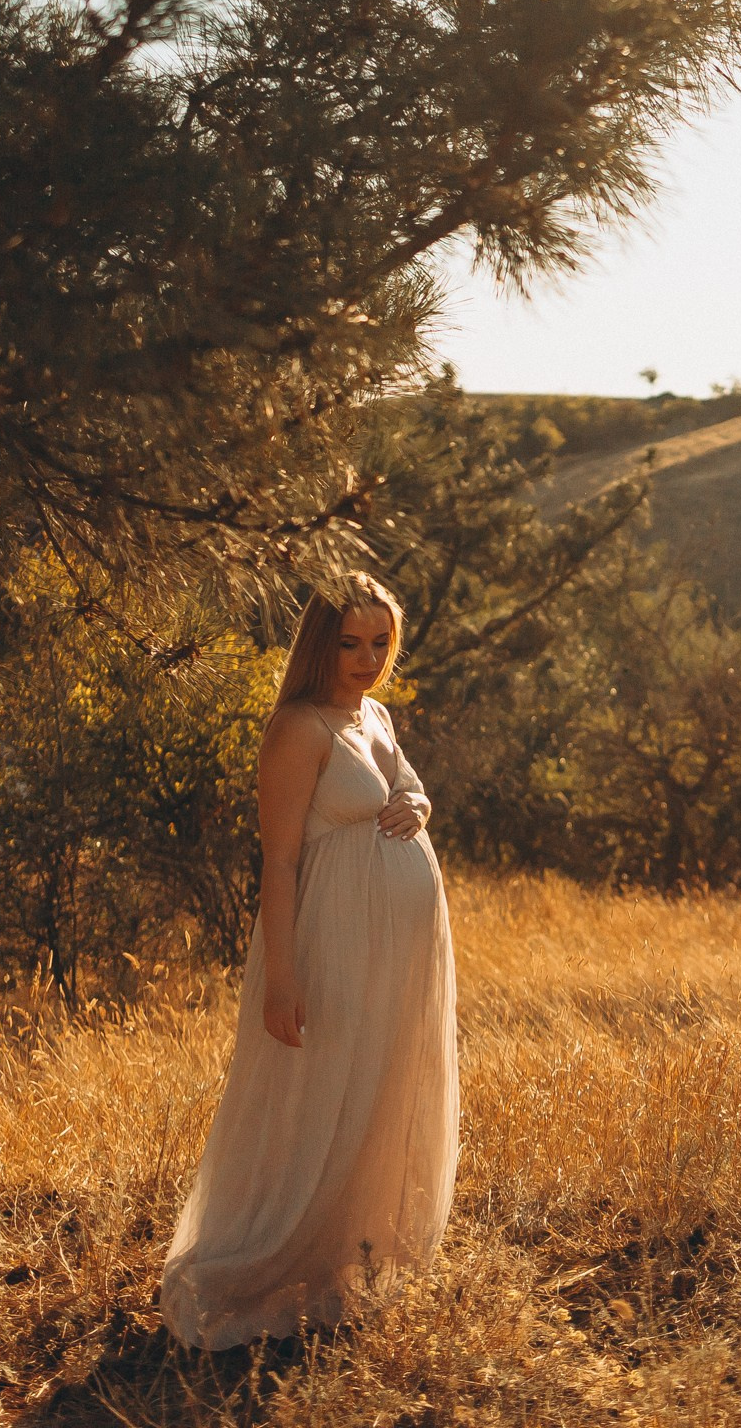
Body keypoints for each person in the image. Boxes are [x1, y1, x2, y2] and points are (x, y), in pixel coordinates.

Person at [158, 572, 458, 1348]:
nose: (366, 658)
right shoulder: (298, 729)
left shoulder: (373, 714)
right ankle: (260, 1262)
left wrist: (416, 804)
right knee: (321, 1093)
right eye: (350, 642)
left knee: (374, 1090)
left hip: (395, 952)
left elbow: (409, 784)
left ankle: (341, 1259)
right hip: (330, 943)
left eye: (380, 642)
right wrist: (282, 977)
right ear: (320, 644)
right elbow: (280, 861)